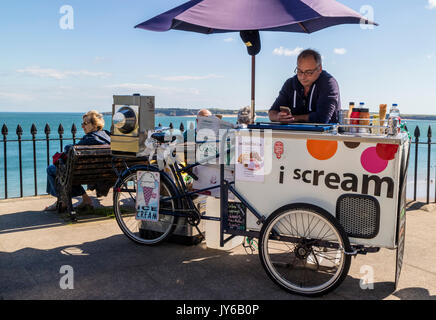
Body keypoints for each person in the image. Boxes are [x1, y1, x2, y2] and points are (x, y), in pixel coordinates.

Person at [44, 110, 111, 211]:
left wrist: (67, 147)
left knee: (52, 169)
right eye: (82, 123)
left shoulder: (90, 138)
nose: (82, 126)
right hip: (106, 174)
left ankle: (63, 201)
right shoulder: (108, 136)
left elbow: (71, 150)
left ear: (95, 125)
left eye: (85, 123)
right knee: (72, 172)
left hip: (85, 174)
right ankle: (85, 199)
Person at [269, 49, 341, 124]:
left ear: (319, 69)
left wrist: (292, 118)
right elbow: (272, 113)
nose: (303, 77)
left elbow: (321, 118)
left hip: (324, 134)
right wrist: (278, 116)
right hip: (294, 134)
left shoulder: (329, 83)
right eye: (300, 71)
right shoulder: (290, 84)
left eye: (309, 72)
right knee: (266, 134)